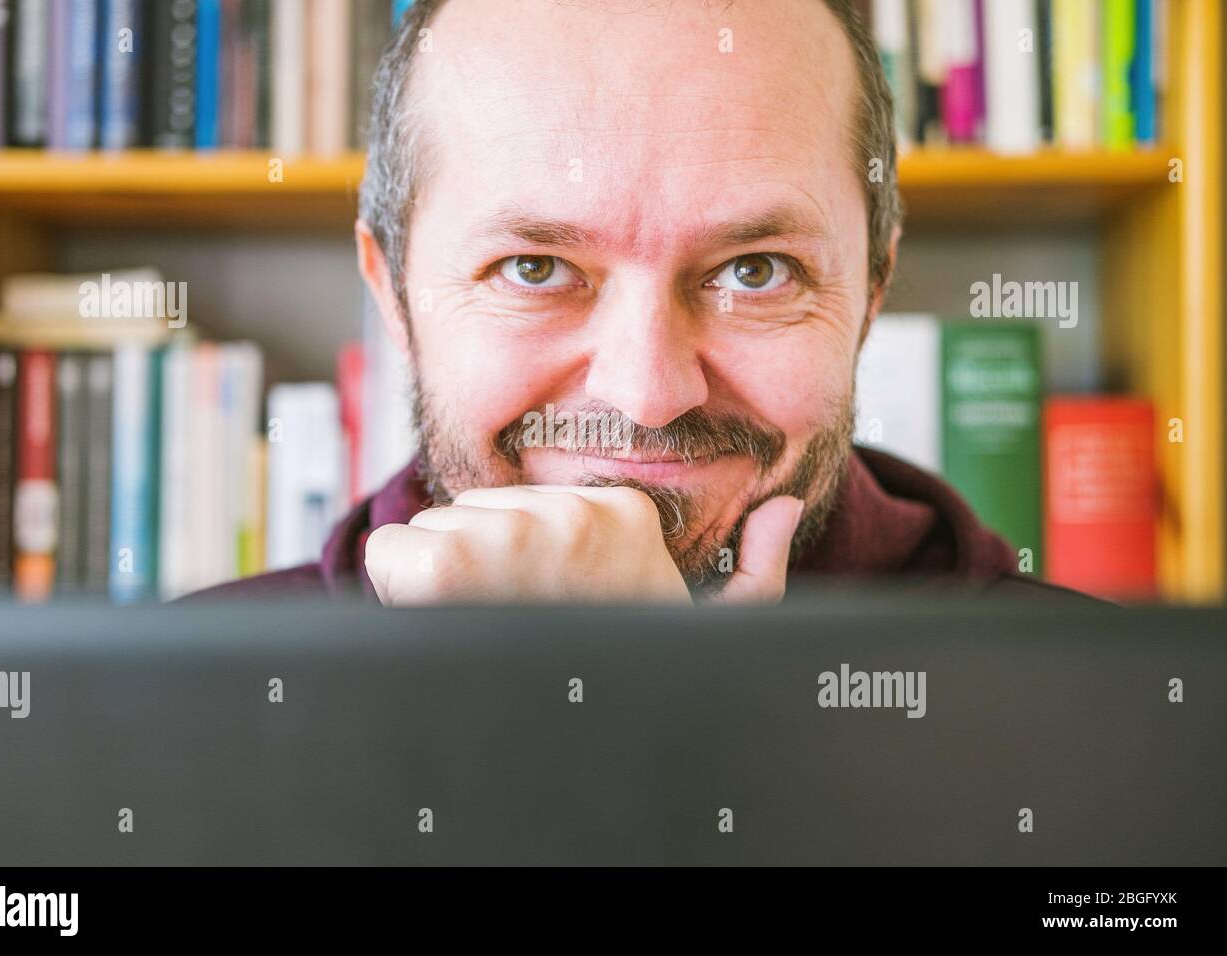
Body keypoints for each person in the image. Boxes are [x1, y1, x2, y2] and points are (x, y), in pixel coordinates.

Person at [195, 0, 1092, 606]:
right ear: (392, 292)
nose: (648, 394)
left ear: (871, 294)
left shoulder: (1120, 722)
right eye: (536, 270)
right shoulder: (173, 723)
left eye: (755, 271)